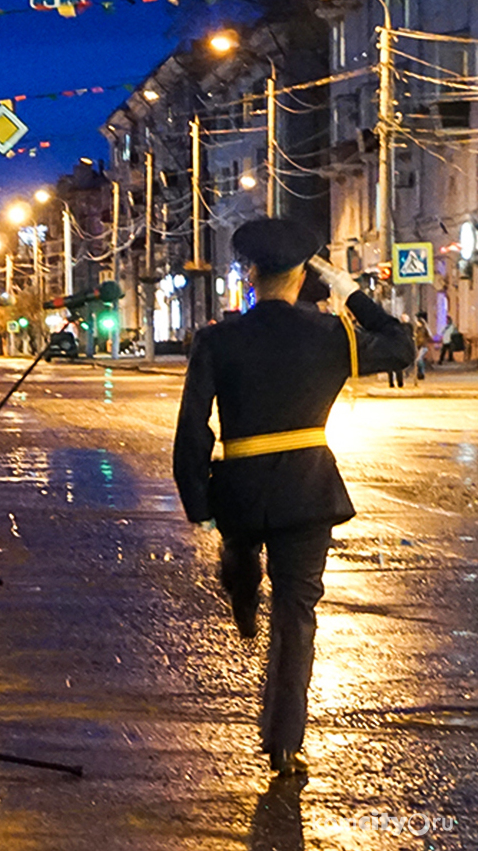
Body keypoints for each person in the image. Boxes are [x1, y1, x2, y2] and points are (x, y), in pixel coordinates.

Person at [172, 218, 415, 776]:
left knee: (240, 553)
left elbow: (193, 429)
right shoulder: (333, 333)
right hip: (307, 490)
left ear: (250, 274)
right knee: (297, 614)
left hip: (239, 487)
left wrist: (200, 504)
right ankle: (284, 741)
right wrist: (350, 291)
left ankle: (239, 570)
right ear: (306, 275)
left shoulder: (217, 338)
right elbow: (402, 345)